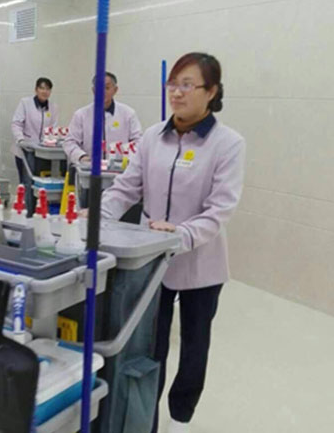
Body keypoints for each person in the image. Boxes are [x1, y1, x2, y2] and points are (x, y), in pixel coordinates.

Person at [97, 53, 246, 433]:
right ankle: (145, 417)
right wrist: (95, 217)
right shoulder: (152, 137)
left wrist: (180, 236)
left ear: (211, 92)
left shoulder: (228, 144)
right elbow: (126, 188)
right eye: (173, 84)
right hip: (150, 263)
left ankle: (181, 417)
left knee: (194, 348)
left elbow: (220, 209)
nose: (176, 93)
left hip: (201, 263)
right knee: (150, 346)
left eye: (187, 85)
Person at [63, 72, 142, 165]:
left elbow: (138, 141)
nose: (102, 92)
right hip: (89, 168)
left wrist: (128, 158)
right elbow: (70, 142)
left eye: (107, 88)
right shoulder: (81, 115)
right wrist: (81, 156)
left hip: (120, 168)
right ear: (93, 90)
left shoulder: (128, 114)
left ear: (115, 90)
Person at [11, 77, 59, 214]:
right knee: (27, 182)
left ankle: (39, 210)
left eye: (48, 89)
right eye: (42, 88)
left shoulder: (53, 108)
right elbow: (16, 123)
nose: (45, 91)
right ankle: (28, 212)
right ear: (36, 89)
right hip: (25, 149)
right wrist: (20, 139)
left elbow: (53, 128)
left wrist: (51, 141)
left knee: (38, 183)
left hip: (42, 152)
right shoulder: (25, 103)